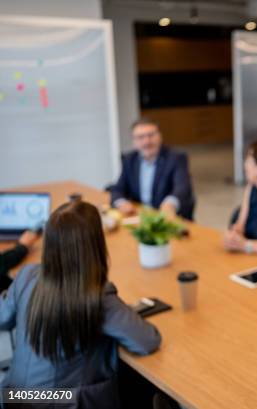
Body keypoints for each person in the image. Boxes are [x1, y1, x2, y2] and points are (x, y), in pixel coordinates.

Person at [0, 200, 161, 408]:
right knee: (139, 385)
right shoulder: (97, 295)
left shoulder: (26, 276)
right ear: (95, 244)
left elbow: (2, 317)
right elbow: (147, 341)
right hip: (60, 403)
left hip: (13, 397)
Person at [110, 118, 195, 220]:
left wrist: (170, 203)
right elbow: (118, 188)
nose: (147, 141)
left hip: (168, 218)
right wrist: (121, 203)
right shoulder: (129, 159)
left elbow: (182, 187)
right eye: (140, 137)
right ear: (134, 142)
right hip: (139, 216)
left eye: (151, 135)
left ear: (160, 136)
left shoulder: (176, 157)